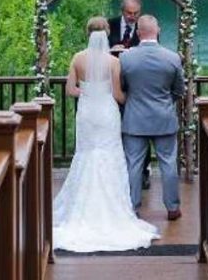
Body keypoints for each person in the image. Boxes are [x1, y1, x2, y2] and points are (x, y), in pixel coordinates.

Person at [52, 17, 160, 252]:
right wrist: (132, 100)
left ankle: (81, 208)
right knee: (110, 154)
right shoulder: (113, 61)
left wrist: (89, 91)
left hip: (88, 113)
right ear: (107, 33)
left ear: (87, 32)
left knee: (85, 154)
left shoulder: (77, 58)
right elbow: (119, 95)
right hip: (107, 114)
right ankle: (113, 209)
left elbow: (71, 90)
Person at [120, 15, 185, 221]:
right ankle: (173, 208)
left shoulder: (125, 58)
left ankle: (133, 207)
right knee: (168, 164)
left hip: (135, 120)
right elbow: (179, 90)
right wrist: (166, 103)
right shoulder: (173, 57)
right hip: (164, 118)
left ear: (138, 33)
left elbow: (122, 87)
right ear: (158, 30)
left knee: (134, 165)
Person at [108, 0, 151, 188]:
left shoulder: (147, 29)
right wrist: (111, 50)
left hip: (136, 89)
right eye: (128, 13)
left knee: (141, 132)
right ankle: (117, 172)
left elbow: (151, 54)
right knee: (115, 132)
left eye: (135, 13)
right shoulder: (111, 25)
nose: (132, 16)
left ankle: (143, 173)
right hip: (112, 89)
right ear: (122, 11)